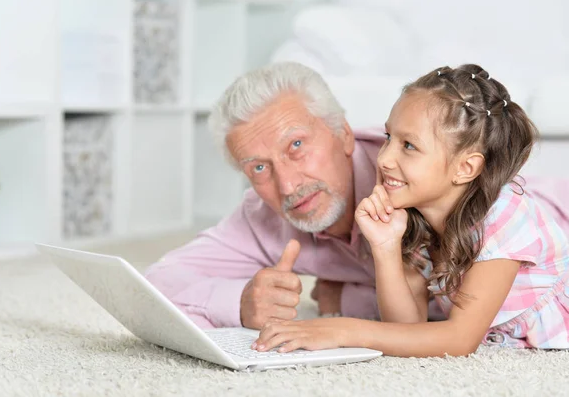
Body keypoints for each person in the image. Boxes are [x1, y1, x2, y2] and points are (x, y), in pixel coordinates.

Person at [144, 62, 569, 335]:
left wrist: (348, 310)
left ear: (344, 134)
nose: (288, 184)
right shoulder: (265, 217)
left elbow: (461, 328)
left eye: (296, 145)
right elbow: (153, 287)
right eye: (258, 167)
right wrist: (237, 302)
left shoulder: (452, 193)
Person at [251, 64, 569, 357]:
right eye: (389, 137)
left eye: (408, 146)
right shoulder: (413, 216)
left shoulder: (502, 217)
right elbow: (407, 329)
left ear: (465, 168)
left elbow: (460, 340)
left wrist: (343, 329)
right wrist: (385, 247)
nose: (385, 158)